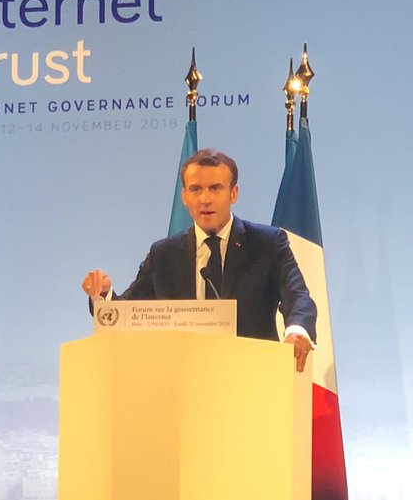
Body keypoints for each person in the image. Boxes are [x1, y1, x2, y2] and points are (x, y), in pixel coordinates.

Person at [81, 148, 317, 371]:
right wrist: (103, 296)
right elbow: (127, 314)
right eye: (196, 189)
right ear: (184, 196)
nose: (205, 199)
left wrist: (297, 330)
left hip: (252, 376)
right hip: (183, 382)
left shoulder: (267, 244)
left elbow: (298, 297)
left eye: (215, 188)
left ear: (233, 193)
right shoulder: (164, 254)